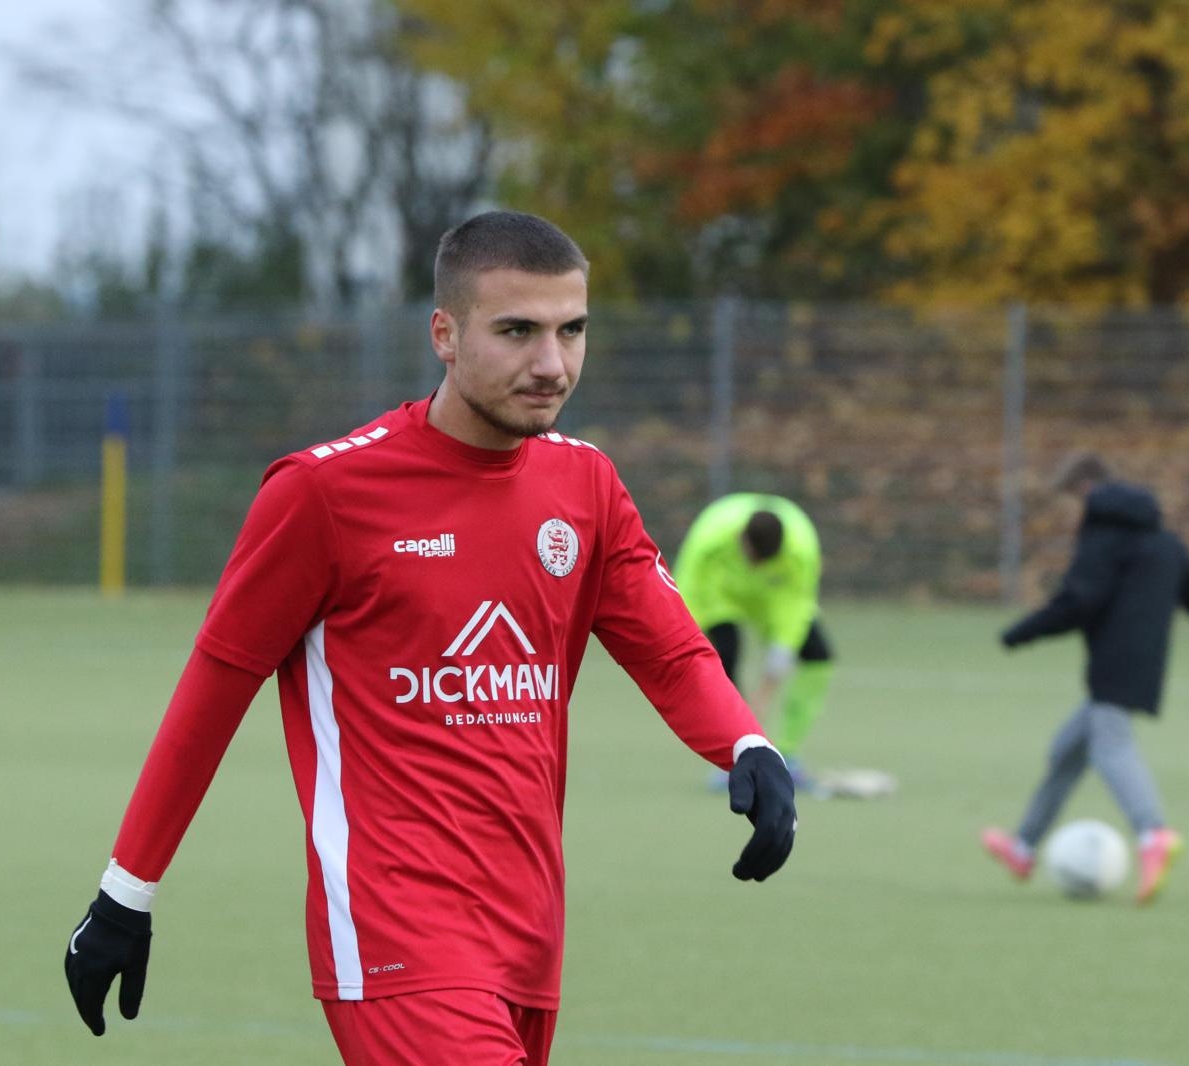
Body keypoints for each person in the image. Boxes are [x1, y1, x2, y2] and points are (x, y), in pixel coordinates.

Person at [62, 210, 797, 1065]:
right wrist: (127, 891)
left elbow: (670, 651)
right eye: (517, 331)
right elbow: (212, 693)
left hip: (529, 933)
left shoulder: (586, 484)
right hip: (393, 933)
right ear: (444, 334)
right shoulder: (324, 493)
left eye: (571, 330)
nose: (552, 364)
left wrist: (745, 743)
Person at [981, 451, 1189, 904]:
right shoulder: (1166, 542)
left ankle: (1153, 834)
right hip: (1144, 661)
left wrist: (1022, 632)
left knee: (1111, 747)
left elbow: (1078, 600)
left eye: (1075, 500)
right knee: (1067, 750)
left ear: (1086, 489)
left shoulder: (1104, 536)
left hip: (1113, 662)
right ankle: (1023, 848)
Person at [672, 493, 834, 793]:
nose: (756, 565)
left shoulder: (801, 548)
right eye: (753, 558)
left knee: (818, 656)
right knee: (724, 657)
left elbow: (796, 606)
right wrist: (689, 634)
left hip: (772, 598)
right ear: (741, 540)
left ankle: (786, 755)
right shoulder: (709, 538)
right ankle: (734, 759)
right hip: (721, 596)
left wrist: (780, 656)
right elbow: (687, 589)